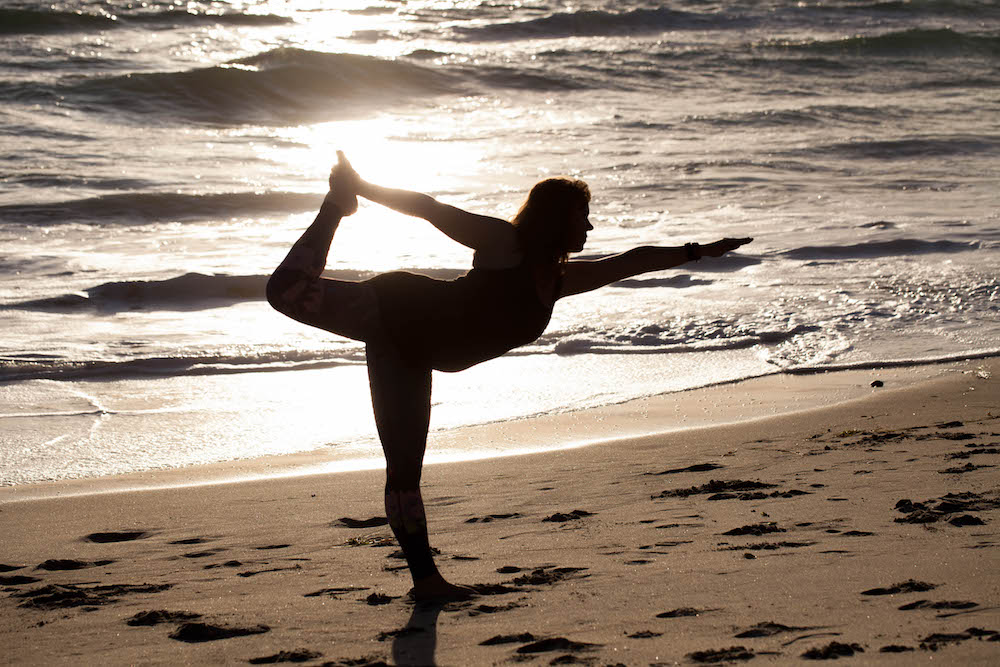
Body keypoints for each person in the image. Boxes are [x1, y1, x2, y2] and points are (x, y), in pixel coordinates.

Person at [266, 152, 751, 601]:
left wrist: (698, 251)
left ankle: (427, 583)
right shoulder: (504, 245)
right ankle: (337, 206)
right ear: (558, 218)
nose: (590, 225)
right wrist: (361, 187)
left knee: (404, 470)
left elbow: (632, 262)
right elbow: (433, 209)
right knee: (286, 291)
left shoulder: (559, 282)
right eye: (582, 216)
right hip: (395, 310)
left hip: (413, 351)